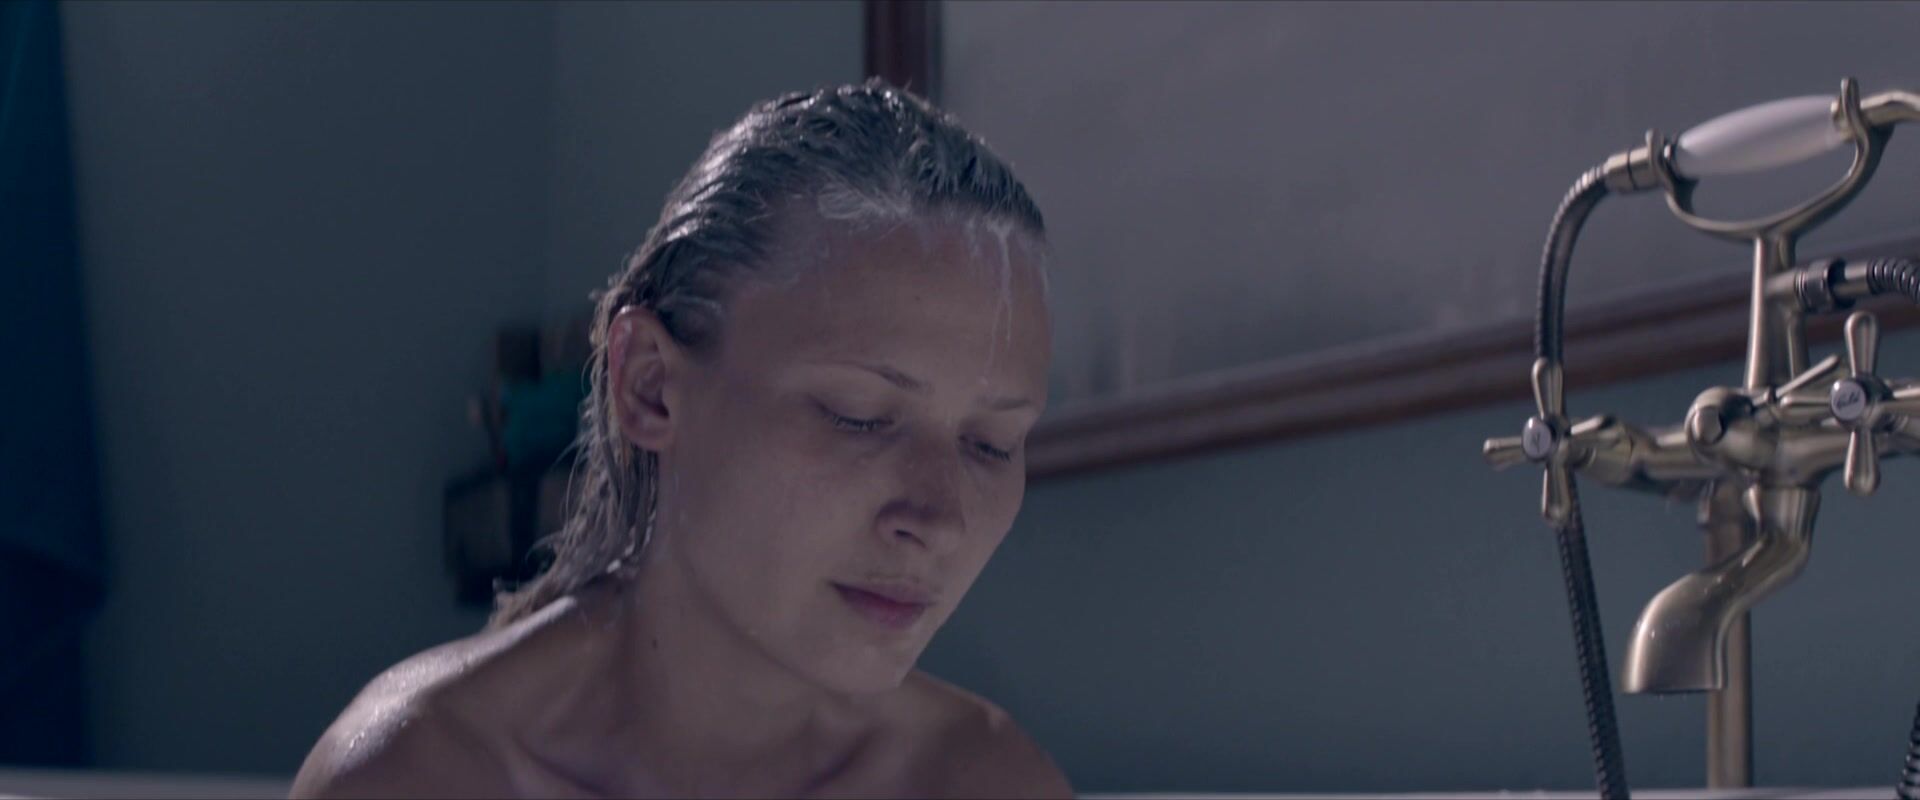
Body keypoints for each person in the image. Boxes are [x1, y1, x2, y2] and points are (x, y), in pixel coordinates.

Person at [290, 79, 1072, 798]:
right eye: (859, 414)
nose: (939, 519)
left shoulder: (990, 784)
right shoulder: (414, 778)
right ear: (650, 386)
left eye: (991, 444)